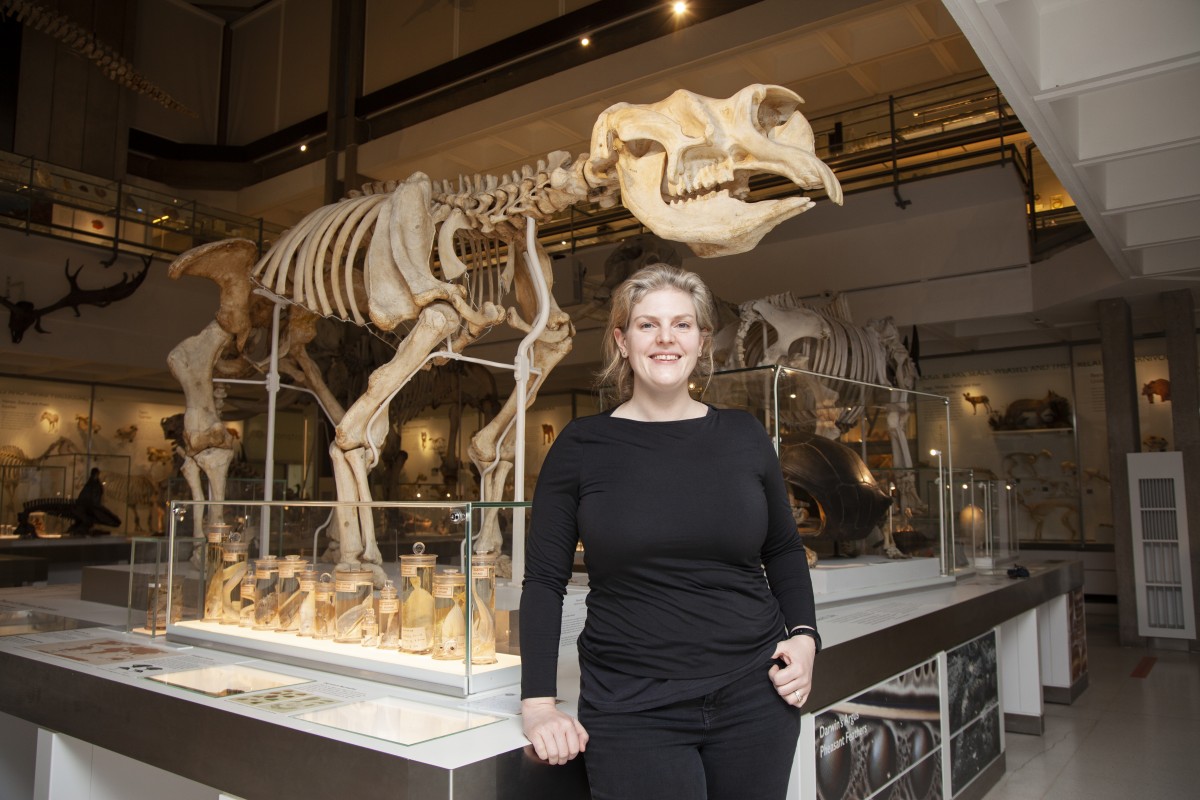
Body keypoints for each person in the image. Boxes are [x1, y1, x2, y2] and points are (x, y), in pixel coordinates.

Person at [520, 264, 820, 799]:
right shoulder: (582, 447)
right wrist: (539, 704)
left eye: (682, 325)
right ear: (621, 339)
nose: (665, 339)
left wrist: (805, 637)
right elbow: (544, 580)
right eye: (646, 325)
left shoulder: (744, 436)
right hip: (633, 705)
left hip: (755, 697)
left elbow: (783, 549)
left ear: (702, 342)